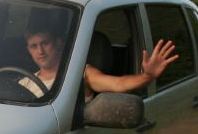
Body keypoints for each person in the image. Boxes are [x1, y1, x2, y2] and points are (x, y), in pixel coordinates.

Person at [18, 27, 178, 99]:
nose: (40, 51)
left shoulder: (80, 74)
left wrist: (147, 76)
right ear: (28, 50)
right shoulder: (24, 82)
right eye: (34, 46)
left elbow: (118, 84)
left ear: (59, 43)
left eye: (45, 43)